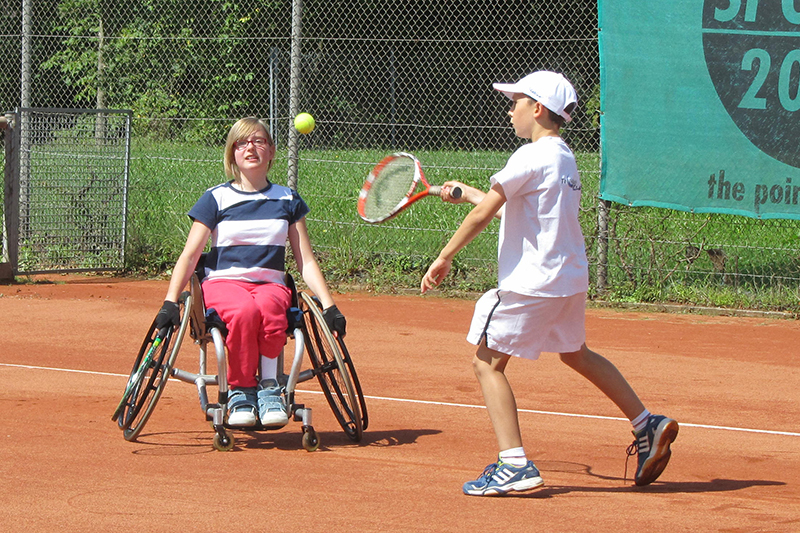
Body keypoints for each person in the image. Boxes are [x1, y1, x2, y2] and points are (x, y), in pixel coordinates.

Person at [420, 71, 678, 496]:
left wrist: (445, 256)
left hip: (532, 284)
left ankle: (514, 464)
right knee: (575, 353)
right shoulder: (564, 159)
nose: (510, 111)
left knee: (487, 363)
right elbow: (532, 220)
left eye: (516, 102)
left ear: (537, 108)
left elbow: (484, 215)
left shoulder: (528, 156)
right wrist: (468, 192)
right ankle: (646, 422)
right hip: (568, 279)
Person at [155, 117, 346, 428]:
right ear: (233, 154)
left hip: (269, 285)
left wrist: (329, 305)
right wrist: (169, 301)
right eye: (242, 143)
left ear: (271, 151)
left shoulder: (287, 199)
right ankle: (241, 390)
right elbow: (190, 255)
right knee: (244, 311)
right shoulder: (216, 198)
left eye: (259, 141)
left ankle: (270, 389)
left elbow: (306, 260)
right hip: (223, 284)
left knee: (271, 309)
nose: (251, 148)